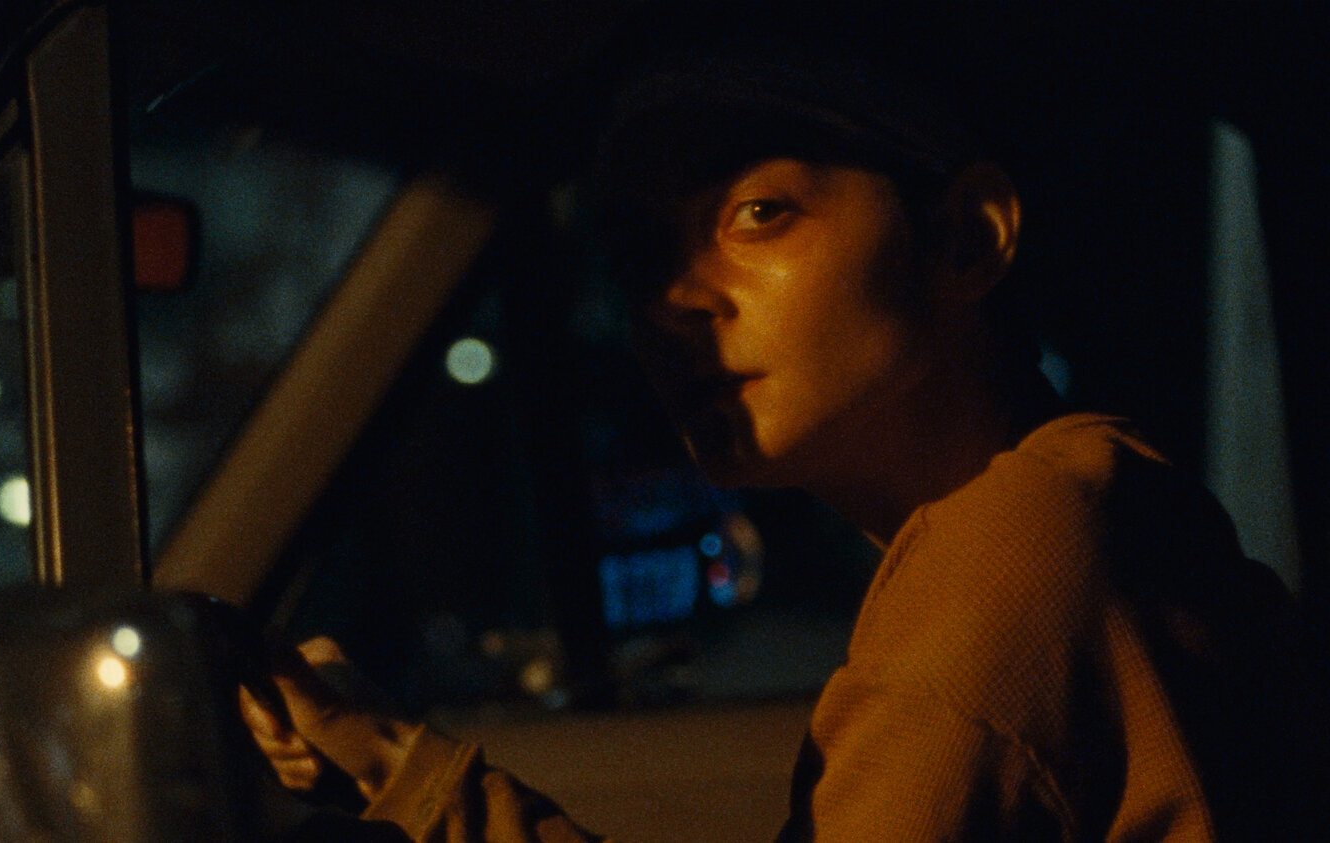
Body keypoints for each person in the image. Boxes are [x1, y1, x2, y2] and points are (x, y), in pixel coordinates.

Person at [240, 8, 1330, 841]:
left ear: (967, 238)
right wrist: (396, 767)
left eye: (759, 214)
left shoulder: (1010, 553)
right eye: (642, 253)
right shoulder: (1092, 502)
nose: (675, 298)